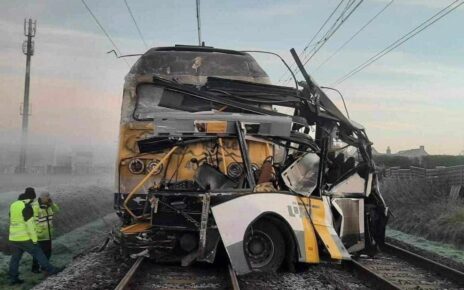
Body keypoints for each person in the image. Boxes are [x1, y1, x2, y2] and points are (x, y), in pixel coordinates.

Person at [8, 187, 62, 285]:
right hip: (24, 237)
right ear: (31, 197)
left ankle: (13, 278)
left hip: (13, 237)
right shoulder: (26, 206)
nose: (33, 200)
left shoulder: (13, 204)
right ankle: (51, 270)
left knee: (15, 258)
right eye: (33, 198)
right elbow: (30, 224)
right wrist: (34, 239)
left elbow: (11, 217)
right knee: (38, 252)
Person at [31, 191, 60, 273]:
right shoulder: (36, 206)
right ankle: (40, 267)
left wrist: (52, 204)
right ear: (42, 197)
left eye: (49, 197)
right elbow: (34, 220)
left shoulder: (49, 205)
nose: (48, 198)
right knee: (42, 251)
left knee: (47, 251)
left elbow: (57, 210)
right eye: (47, 197)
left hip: (48, 233)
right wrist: (39, 231)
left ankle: (38, 268)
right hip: (41, 234)